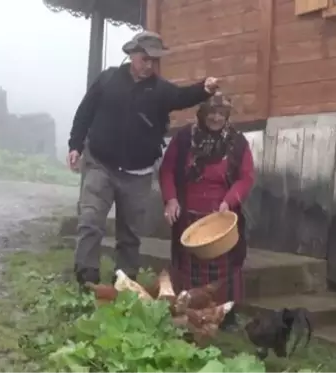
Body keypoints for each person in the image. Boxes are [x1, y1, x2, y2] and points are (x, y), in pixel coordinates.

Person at [67, 30, 220, 286]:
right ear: (132, 54)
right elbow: (85, 112)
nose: (149, 65)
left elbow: (182, 97)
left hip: (137, 174)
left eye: (154, 60)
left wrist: (203, 89)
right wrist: (75, 145)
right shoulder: (108, 80)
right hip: (100, 164)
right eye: (144, 58)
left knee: (130, 234)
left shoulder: (160, 90)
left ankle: (124, 281)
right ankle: (87, 278)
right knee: (90, 221)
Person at [158, 92, 255, 330]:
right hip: (189, 219)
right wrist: (171, 199)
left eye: (221, 113)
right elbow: (167, 170)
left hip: (221, 218)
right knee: (188, 268)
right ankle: (191, 312)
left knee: (227, 268)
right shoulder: (184, 139)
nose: (215, 117)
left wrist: (229, 201)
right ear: (201, 114)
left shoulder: (237, 142)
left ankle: (227, 314)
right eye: (211, 112)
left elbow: (246, 177)